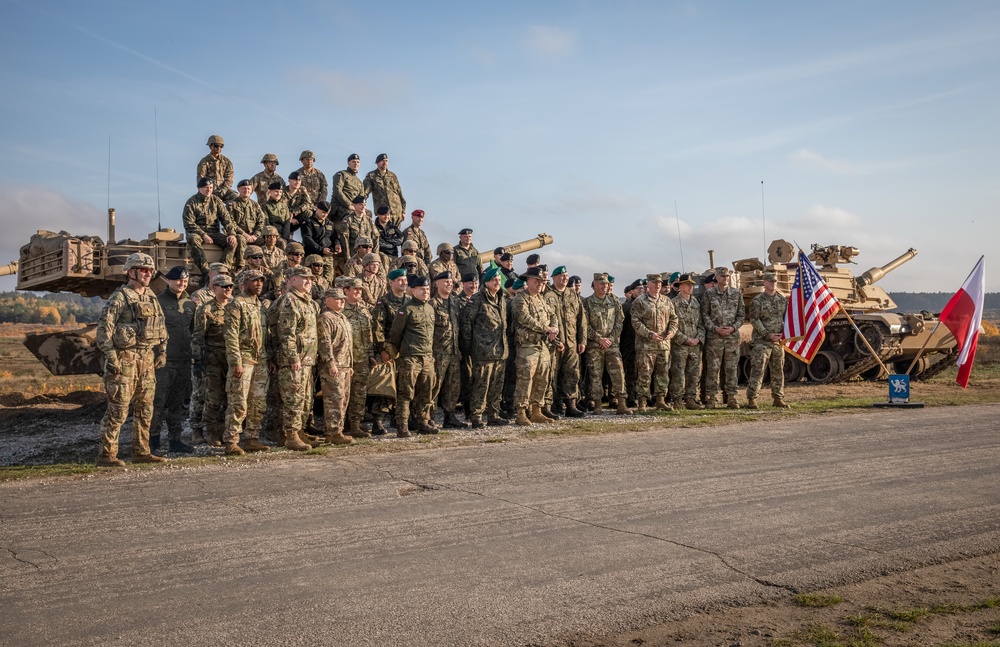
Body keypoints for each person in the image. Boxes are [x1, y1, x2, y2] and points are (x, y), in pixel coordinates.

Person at [95, 253, 168, 466]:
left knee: (145, 409)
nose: (147, 274)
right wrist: (111, 357)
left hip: (146, 359)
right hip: (124, 359)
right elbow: (104, 331)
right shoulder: (120, 297)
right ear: (131, 271)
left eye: (149, 270)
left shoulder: (151, 296)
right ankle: (107, 455)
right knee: (118, 409)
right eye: (143, 270)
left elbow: (161, 326)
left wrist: (162, 350)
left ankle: (141, 451)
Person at [222, 269, 271, 454]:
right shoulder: (237, 304)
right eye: (254, 281)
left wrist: (270, 357)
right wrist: (236, 362)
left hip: (261, 360)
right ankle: (231, 440)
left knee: (258, 402)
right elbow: (231, 335)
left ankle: (252, 437)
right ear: (244, 283)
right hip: (244, 358)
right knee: (238, 401)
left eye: (261, 281)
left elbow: (267, 335)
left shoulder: (261, 306)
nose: (258, 284)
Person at [150, 265, 196, 455]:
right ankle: (152, 441)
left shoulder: (190, 305)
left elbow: (193, 331)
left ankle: (175, 440)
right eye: (178, 280)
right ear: (168, 280)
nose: (181, 283)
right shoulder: (157, 302)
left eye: (185, 281)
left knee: (177, 403)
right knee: (158, 402)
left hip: (184, 361)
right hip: (164, 362)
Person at [274, 267, 321, 451]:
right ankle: (291, 435)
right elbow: (287, 334)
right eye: (304, 278)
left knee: (305, 399)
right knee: (293, 398)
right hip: (294, 361)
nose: (309, 281)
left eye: (310, 278)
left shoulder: (307, 301)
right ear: (292, 280)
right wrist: (293, 357)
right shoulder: (290, 301)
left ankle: (299, 431)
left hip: (307, 360)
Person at [389, 274, 437, 437]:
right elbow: (396, 333)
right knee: (406, 392)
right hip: (411, 357)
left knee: (426, 392)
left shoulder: (430, 308)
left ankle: (423, 421)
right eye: (422, 289)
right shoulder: (406, 309)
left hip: (427, 357)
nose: (425, 292)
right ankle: (402, 424)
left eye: (427, 289)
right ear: (413, 290)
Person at [459, 267, 507, 428]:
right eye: (494, 280)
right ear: (486, 282)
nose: (497, 283)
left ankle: (493, 414)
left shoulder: (501, 299)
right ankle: (477, 416)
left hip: (499, 350)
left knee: (496, 386)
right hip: (482, 351)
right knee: (481, 385)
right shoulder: (477, 299)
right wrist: (468, 348)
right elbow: (466, 324)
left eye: (499, 280)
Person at [511, 267, 559, 426]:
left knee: (542, 378)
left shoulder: (541, 299)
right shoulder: (521, 298)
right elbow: (524, 318)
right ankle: (521, 412)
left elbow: (553, 315)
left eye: (542, 282)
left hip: (543, 346)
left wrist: (554, 328)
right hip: (527, 346)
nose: (540, 284)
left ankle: (536, 410)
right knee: (525, 379)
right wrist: (546, 329)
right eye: (537, 281)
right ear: (529, 281)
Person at [582, 273, 632, 415]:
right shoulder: (587, 303)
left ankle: (621, 403)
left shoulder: (614, 302)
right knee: (595, 375)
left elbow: (619, 323)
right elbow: (585, 325)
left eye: (606, 284)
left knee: (618, 373)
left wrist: (609, 339)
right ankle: (597, 404)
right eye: (602, 284)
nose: (605, 286)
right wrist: (599, 339)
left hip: (612, 344)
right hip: (595, 346)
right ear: (595, 285)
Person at [193, 273, 233, 449]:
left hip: (231, 358)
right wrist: (198, 361)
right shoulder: (206, 309)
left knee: (229, 397)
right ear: (215, 288)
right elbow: (198, 338)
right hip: (213, 360)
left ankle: (225, 431)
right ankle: (211, 432)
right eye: (224, 286)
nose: (228, 289)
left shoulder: (234, 307)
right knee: (213, 398)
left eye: (230, 286)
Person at [630, 273, 679, 412]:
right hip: (646, 346)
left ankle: (660, 400)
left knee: (662, 374)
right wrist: (649, 334)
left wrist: (671, 332)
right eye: (655, 283)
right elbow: (635, 321)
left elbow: (674, 319)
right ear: (648, 285)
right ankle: (642, 402)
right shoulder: (640, 301)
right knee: (644, 374)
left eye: (659, 283)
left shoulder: (666, 301)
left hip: (663, 345)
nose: (658, 285)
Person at [544, 265, 587, 418]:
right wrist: (556, 341)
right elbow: (545, 321)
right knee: (553, 375)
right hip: (554, 343)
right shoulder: (547, 294)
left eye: (566, 275)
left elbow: (581, 320)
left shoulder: (572, 294)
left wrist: (582, 340)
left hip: (572, 342)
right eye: (561, 275)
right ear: (554, 278)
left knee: (572, 373)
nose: (564, 278)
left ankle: (571, 405)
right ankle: (555, 405)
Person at [316, 287, 357, 445]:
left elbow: (348, 344)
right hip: (333, 366)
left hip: (344, 365)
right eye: (338, 299)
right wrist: (330, 363)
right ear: (328, 301)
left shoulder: (342, 317)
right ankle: (333, 432)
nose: (342, 301)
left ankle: (338, 430)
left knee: (343, 399)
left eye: (343, 299)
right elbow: (325, 344)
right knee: (334, 399)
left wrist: (350, 364)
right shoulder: (325, 318)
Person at [429, 271, 469, 429]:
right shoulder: (432, 304)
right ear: (437, 284)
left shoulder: (455, 301)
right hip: (438, 352)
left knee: (453, 386)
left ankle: (449, 416)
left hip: (453, 351)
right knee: (434, 386)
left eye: (451, 282)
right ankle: (428, 416)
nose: (449, 284)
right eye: (445, 281)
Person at [702, 267, 745, 409]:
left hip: (732, 338)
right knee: (713, 369)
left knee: (731, 369)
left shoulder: (736, 293)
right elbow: (705, 315)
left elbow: (741, 315)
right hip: (714, 338)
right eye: (722, 276)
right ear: (717, 277)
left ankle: (732, 398)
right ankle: (711, 399)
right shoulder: (709, 294)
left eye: (727, 276)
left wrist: (733, 328)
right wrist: (715, 328)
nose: (725, 278)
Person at [746, 272, 790, 409]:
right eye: (770, 281)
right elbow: (754, 319)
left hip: (778, 341)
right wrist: (767, 334)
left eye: (775, 281)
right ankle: (752, 398)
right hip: (762, 341)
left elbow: (786, 319)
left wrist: (784, 334)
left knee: (778, 370)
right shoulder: (757, 301)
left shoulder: (782, 300)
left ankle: (778, 397)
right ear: (764, 283)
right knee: (758, 370)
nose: (773, 283)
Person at [182, 178, 242, 275]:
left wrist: (231, 234)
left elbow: (226, 219)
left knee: (232, 242)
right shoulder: (192, 202)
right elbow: (189, 223)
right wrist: (203, 235)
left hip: (214, 233)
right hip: (198, 233)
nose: (209, 190)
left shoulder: (216, 201)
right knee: (193, 239)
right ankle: (205, 270)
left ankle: (222, 269)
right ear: (199, 188)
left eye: (210, 187)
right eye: (206, 187)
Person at [342, 277, 377, 437]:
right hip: (344, 360)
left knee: (359, 393)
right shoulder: (341, 309)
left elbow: (368, 334)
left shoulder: (363, 309)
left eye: (360, 290)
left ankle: (355, 425)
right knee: (342, 394)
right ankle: (339, 426)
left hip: (362, 358)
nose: (358, 292)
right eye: (355, 289)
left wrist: (370, 354)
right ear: (346, 291)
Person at [669, 273, 705, 410]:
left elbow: (701, 323)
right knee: (678, 373)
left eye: (692, 285)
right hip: (680, 345)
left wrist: (698, 338)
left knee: (694, 373)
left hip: (694, 344)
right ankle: (677, 399)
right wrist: (685, 339)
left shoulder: (695, 303)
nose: (691, 287)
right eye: (688, 285)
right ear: (681, 286)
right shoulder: (673, 303)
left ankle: (691, 398)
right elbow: (671, 326)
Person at [228, 179, 266, 266]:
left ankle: (264, 265)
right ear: (238, 189)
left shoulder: (255, 205)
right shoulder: (232, 204)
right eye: (244, 189)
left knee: (267, 241)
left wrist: (255, 235)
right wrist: (245, 234)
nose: (246, 191)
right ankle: (240, 266)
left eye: (248, 189)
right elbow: (231, 222)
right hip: (240, 234)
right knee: (240, 240)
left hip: (253, 235)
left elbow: (261, 221)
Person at [364, 153, 406, 227]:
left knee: (397, 236)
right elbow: (365, 192)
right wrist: (361, 205)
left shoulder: (392, 175)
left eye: (386, 160)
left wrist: (403, 211)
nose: (385, 162)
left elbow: (399, 193)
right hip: (383, 213)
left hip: (396, 211)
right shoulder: (371, 176)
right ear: (377, 163)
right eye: (382, 161)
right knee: (384, 234)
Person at [300, 201, 338, 281]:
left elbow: (334, 238)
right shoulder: (308, 222)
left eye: (327, 213)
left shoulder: (330, 223)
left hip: (328, 258)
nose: (325, 215)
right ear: (317, 210)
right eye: (323, 212)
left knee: (328, 281)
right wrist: (321, 249)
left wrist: (337, 245)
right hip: (314, 257)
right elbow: (307, 239)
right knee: (312, 280)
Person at [196, 135, 237, 202]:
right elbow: (200, 178)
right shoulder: (204, 162)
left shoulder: (226, 161)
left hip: (224, 190)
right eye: (216, 146)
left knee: (236, 199)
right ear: (210, 146)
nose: (218, 148)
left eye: (221, 146)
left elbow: (230, 176)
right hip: (209, 190)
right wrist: (206, 190)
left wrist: (224, 188)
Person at [331, 153, 365, 221]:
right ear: (348, 163)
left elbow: (361, 198)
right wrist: (349, 205)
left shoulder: (359, 182)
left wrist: (361, 208)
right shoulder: (342, 174)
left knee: (368, 214)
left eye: (357, 162)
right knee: (351, 215)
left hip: (354, 207)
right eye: (353, 162)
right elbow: (337, 191)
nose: (356, 164)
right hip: (340, 206)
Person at [284, 171, 314, 237]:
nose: (297, 182)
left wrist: (294, 212)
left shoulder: (302, 190)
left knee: (309, 213)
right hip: (284, 216)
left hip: (296, 214)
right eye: (295, 180)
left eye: (299, 180)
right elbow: (281, 208)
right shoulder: (283, 191)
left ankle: (307, 237)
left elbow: (307, 203)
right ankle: (287, 236)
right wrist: (290, 219)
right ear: (289, 180)